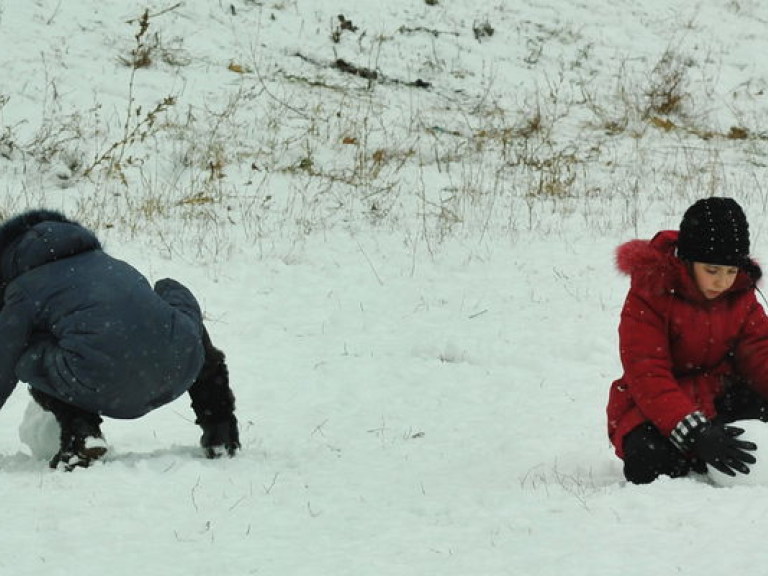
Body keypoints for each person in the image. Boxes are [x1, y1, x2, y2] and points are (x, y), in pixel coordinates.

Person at [0, 209, 240, 470]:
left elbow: (4, 360)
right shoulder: (109, 265)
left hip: (103, 384)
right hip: (180, 367)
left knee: (26, 350)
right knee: (174, 302)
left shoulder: (22, 290)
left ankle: (81, 433)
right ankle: (220, 428)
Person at [607, 197, 768, 484]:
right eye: (712, 270)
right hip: (657, 405)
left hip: (721, 394)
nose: (723, 282)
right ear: (688, 260)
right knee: (647, 461)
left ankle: (708, 449)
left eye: (731, 271)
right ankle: (694, 450)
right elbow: (648, 374)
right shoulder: (650, 292)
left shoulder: (740, 294)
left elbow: (759, 352)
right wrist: (695, 431)